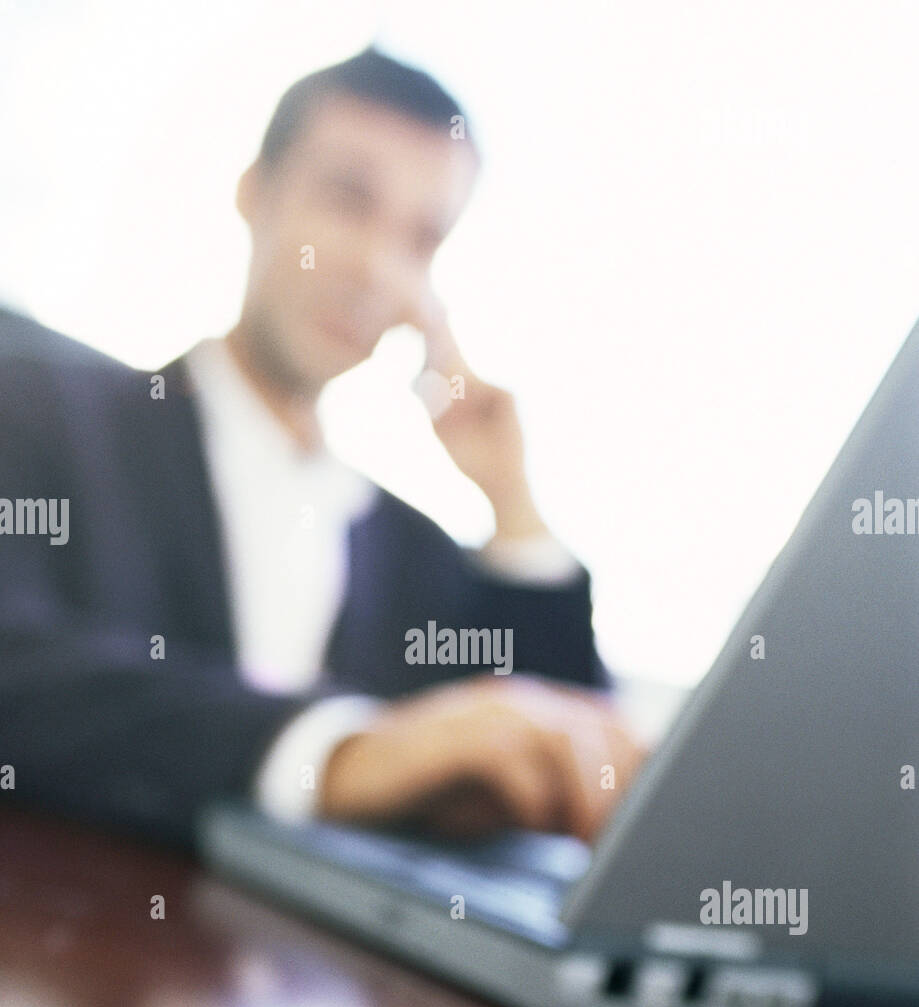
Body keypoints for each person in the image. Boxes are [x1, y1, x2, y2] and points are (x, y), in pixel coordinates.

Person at [0, 47, 646, 851]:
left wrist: (510, 505)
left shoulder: (410, 551)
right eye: (347, 200)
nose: (372, 265)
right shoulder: (39, 414)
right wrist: (336, 754)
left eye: (419, 238)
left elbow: (572, 762)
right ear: (255, 193)